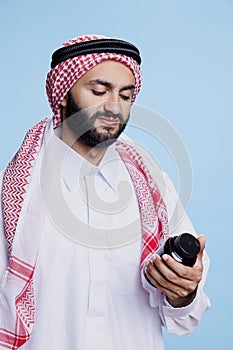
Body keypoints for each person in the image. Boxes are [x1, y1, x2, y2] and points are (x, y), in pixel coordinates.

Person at [0, 34, 210, 350]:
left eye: (125, 96)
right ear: (61, 94)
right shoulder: (15, 194)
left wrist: (183, 290)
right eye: (99, 91)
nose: (114, 106)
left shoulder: (154, 186)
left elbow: (185, 317)